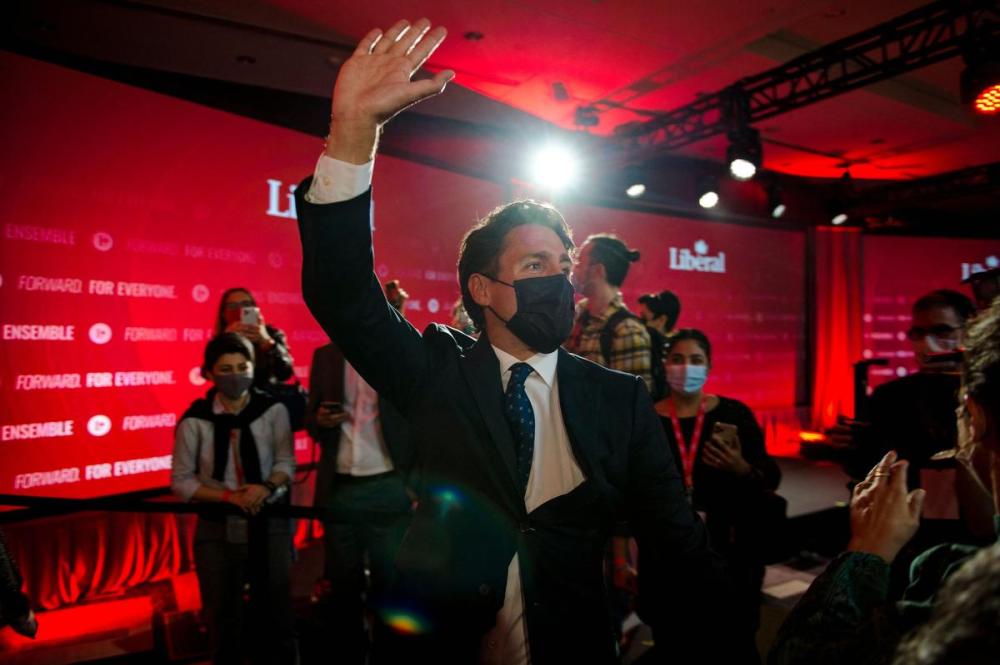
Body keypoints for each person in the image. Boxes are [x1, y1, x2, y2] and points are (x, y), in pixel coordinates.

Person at [294, 18, 735, 664]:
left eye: (563, 264)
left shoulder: (619, 401)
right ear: (482, 288)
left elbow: (680, 547)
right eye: (534, 266)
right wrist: (354, 136)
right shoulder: (434, 373)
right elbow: (344, 295)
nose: (557, 279)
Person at [768, 296, 1000, 665]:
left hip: (965, 542)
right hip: (904, 541)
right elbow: (871, 464)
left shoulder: (984, 396)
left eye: (941, 331)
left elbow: (803, 654)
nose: (927, 342)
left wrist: (862, 559)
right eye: (917, 332)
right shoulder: (893, 396)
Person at [655, 328, 782, 664]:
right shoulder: (647, 420)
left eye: (696, 360)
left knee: (736, 640)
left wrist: (740, 466)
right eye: (677, 359)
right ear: (664, 364)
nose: (686, 368)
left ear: (709, 367)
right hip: (670, 555)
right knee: (675, 641)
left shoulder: (733, 414)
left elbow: (771, 478)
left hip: (732, 550)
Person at [305, 280, 416, 664]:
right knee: (342, 587)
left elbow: (413, 414)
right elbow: (313, 420)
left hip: (387, 483)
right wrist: (319, 418)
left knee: (390, 586)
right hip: (340, 486)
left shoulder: (393, 356)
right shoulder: (325, 357)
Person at [171, 333, 297, 665]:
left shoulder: (273, 410)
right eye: (225, 368)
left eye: (243, 367)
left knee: (277, 614)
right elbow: (181, 482)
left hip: (270, 525)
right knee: (222, 618)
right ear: (209, 373)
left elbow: (286, 462)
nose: (235, 374)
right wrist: (229, 497)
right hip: (216, 528)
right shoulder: (195, 419)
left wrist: (266, 488)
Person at [566, 233, 654, 394]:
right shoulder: (577, 314)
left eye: (579, 261)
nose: (572, 268)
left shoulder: (627, 330)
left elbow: (631, 403)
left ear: (598, 270)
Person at [214, 287, 294, 389]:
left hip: (269, 398)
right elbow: (209, 374)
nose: (240, 310)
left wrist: (267, 342)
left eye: (246, 305)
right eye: (233, 306)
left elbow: (285, 373)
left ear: (255, 309)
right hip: (233, 399)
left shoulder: (273, 334)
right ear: (223, 314)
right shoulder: (220, 340)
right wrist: (226, 341)